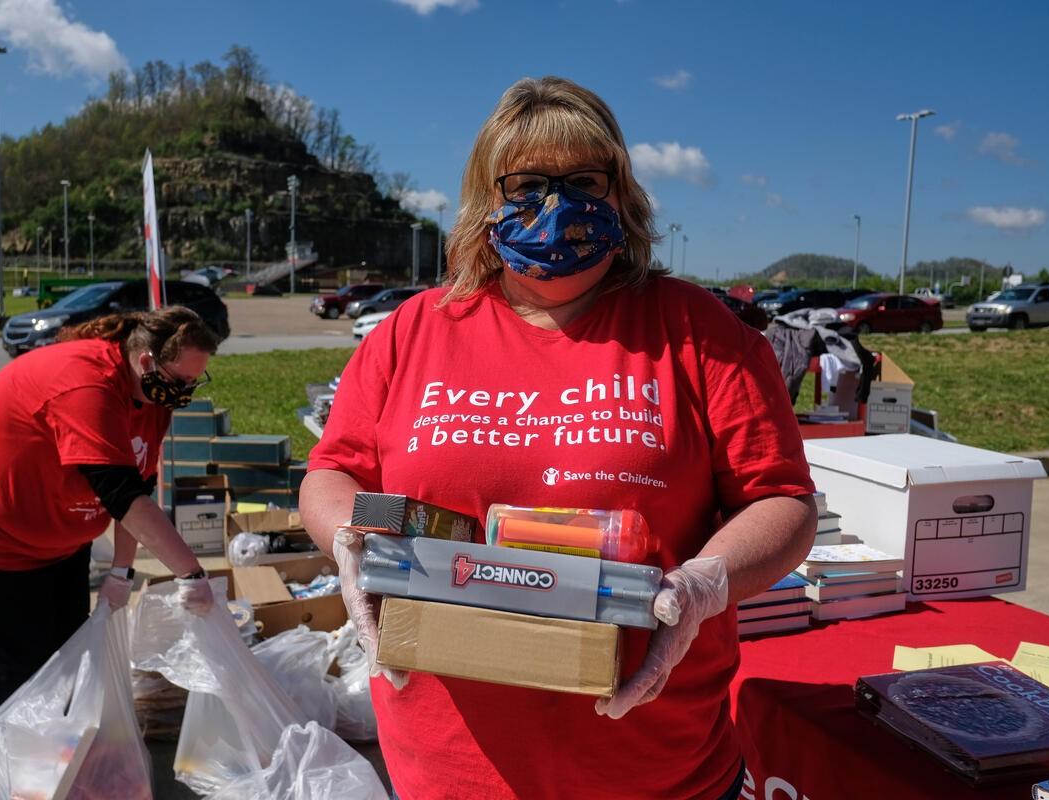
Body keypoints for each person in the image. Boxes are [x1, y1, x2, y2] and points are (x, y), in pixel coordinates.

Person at [300, 76, 817, 800]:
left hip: (656, 769)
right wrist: (353, 539)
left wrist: (704, 584)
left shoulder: (699, 332)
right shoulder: (412, 332)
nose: (557, 205)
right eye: (529, 184)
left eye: (582, 181)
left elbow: (783, 501)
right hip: (445, 769)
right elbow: (332, 472)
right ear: (487, 201)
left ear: (622, 196)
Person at [0, 305, 219, 714]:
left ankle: (70, 763)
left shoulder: (152, 394)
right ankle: (28, 774)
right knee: (20, 686)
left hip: (54, 541)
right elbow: (121, 495)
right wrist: (191, 574)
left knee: (70, 665)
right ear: (147, 360)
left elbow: (140, 486)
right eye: (180, 380)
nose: (183, 392)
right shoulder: (86, 387)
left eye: (192, 382)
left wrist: (120, 571)